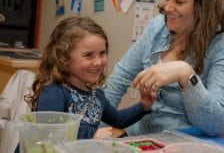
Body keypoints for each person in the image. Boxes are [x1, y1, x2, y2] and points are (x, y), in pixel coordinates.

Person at [103, 0, 224, 136]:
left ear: (203, 6)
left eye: (178, 1)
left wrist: (186, 74)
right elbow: (118, 80)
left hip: (183, 142)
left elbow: (216, 124)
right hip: (139, 136)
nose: (167, 7)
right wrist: (94, 128)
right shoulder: (157, 26)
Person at [25, 17, 156, 140]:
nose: (98, 62)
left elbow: (119, 120)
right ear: (63, 58)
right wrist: (91, 138)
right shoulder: (54, 93)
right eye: (88, 55)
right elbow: (50, 136)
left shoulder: (96, 95)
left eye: (102, 53)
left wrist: (143, 106)